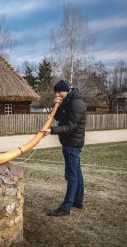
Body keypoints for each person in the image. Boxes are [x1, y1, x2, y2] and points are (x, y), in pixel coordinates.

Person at [42, 79, 87, 217]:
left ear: (65, 90)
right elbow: (60, 117)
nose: (57, 95)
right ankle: (78, 201)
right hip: (69, 143)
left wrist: (52, 130)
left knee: (71, 176)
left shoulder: (77, 103)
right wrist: (57, 105)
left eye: (58, 92)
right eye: (56, 93)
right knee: (76, 173)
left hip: (72, 144)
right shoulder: (69, 101)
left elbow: (71, 126)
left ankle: (66, 207)